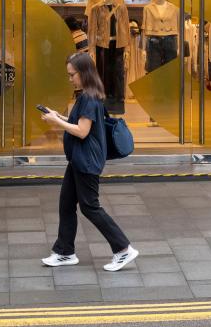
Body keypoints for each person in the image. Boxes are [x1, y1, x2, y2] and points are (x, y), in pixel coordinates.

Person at [39, 52, 139, 271]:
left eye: (72, 74)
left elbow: (82, 132)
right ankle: (65, 252)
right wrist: (59, 116)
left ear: (83, 73)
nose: (70, 79)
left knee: (90, 207)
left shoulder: (88, 97)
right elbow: (82, 123)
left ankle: (123, 249)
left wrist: (56, 121)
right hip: (79, 159)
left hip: (86, 161)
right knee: (66, 204)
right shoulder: (90, 94)